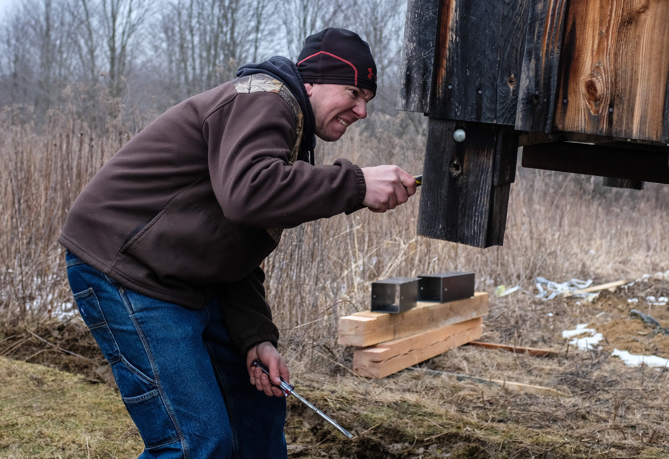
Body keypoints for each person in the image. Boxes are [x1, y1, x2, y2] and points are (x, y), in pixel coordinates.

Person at [60, 28, 417, 458]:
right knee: (196, 443)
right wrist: (356, 184)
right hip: (126, 269)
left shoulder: (288, 135)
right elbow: (249, 193)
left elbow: (234, 250)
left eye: (367, 101)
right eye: (354, 92)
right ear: (312, 81)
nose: (361, 110)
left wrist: (254, 339)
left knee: (257, 420)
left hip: (182, 277)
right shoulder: (266, 98)